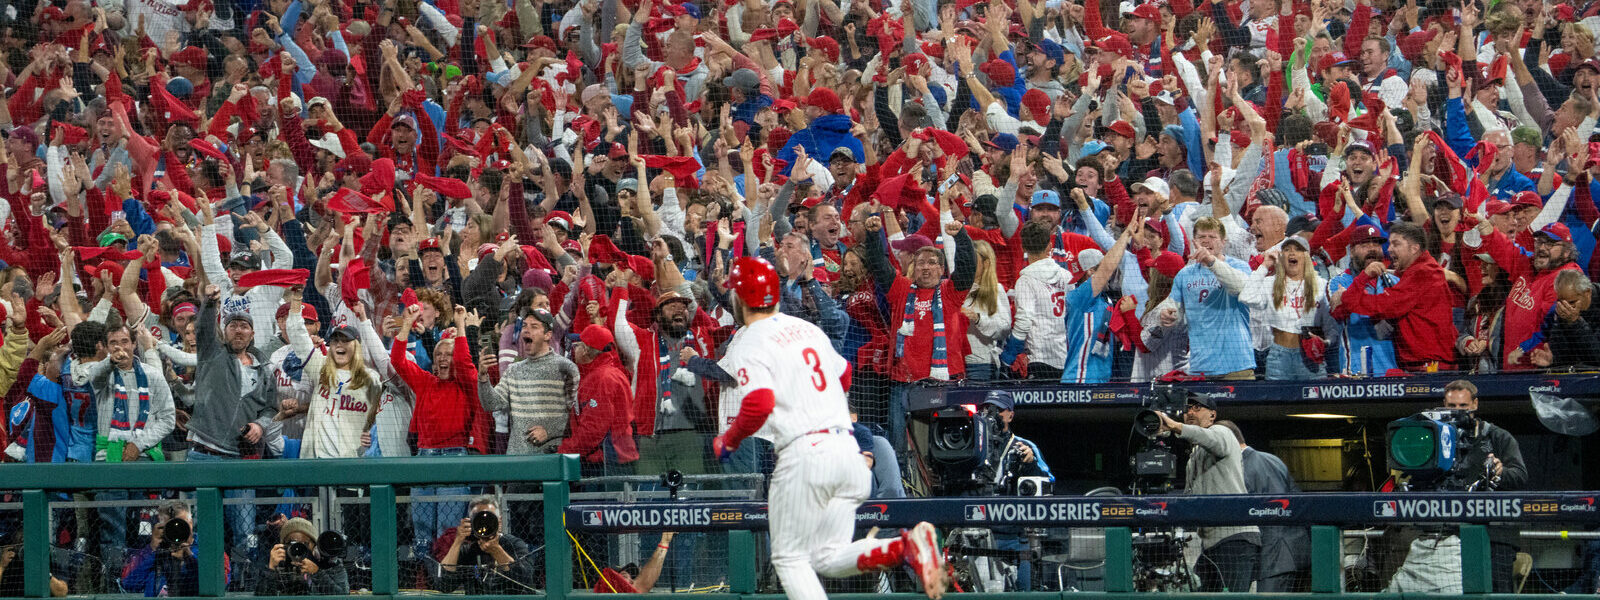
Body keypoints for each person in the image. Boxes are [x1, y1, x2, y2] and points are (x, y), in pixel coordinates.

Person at [712, 256, 948, 600]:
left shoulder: (749, 340)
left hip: (806, 456)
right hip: (848, 455)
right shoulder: (806, 329)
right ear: (776, 294)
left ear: (738, 299)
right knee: (827, 557)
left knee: (789, 558)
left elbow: (759, 403)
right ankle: (905, 547)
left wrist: (729, 440)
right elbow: (844, 375)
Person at [1152, 394, 1259, 593]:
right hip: (1211, 543)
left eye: (1197, 407)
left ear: (1212, 415)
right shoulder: (1194, 454)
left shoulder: (1223, 431)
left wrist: (1176, 427)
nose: (1190, 412)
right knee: (1198, 593)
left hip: (1235, 539)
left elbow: (1209, 438)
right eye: (1187, 409)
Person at [1218, 421, 1310, 593]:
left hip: (1279, 554)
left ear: (1227, 441)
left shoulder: (1253, 463)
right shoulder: (1266, 458)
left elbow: (1277, 510)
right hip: (1281, 555)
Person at [120, 500, 231, 597]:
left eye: (180, 524)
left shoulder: (210, 549)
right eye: (170, 526)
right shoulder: (153, 553)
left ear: (191, 523)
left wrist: (189, 558)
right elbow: (129, 584)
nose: (176, 530)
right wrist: (153, 549)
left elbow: (220, 583)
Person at [437, 496, 537, 595]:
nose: (484, 523)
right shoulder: (468, 550)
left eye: (489, 518)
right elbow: (444, 585)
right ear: (471, 523)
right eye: (479, 519)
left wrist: (497, 551)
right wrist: (458, 541)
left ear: (500, 521)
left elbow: (525, 580)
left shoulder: (514, 544)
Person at [256, 518, 349, 596]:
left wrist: (317, 572)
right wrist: (271, 569)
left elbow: (342, 594)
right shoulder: (280, 567)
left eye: (304, 544)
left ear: (314, 545)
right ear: (283, 546)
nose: (298, 549)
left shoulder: (329, 565)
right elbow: (261, 595)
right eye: (293, 544)